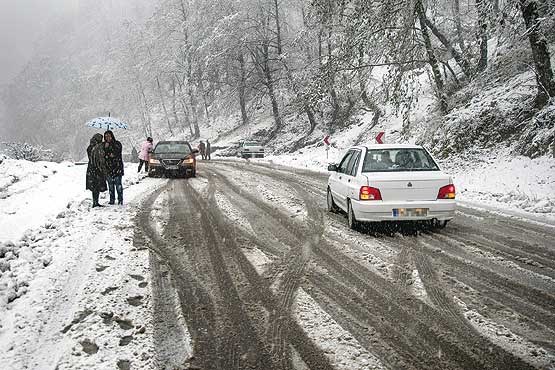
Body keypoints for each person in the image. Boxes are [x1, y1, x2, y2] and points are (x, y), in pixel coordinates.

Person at [86, 133, 108, 208]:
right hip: (96, 168)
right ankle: (95, 202)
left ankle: (96, 202)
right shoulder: (96, 147)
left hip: (92, 168)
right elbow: (99, 157)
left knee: (95, 186)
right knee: (96, 186)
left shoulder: (91, 146)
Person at [104, 130, 124, 205]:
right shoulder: (104, 145)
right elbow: (104, 156)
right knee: (110, 186)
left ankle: (120, 199)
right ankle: (112, 200)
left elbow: (117, 152)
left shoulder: (117, 144)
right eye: (106, 136)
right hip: (108, 168)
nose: (107, 138)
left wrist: (111, 151)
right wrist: (106, 148)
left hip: (117, 167)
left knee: (118, 185)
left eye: (109, 136)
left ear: (112, 136)